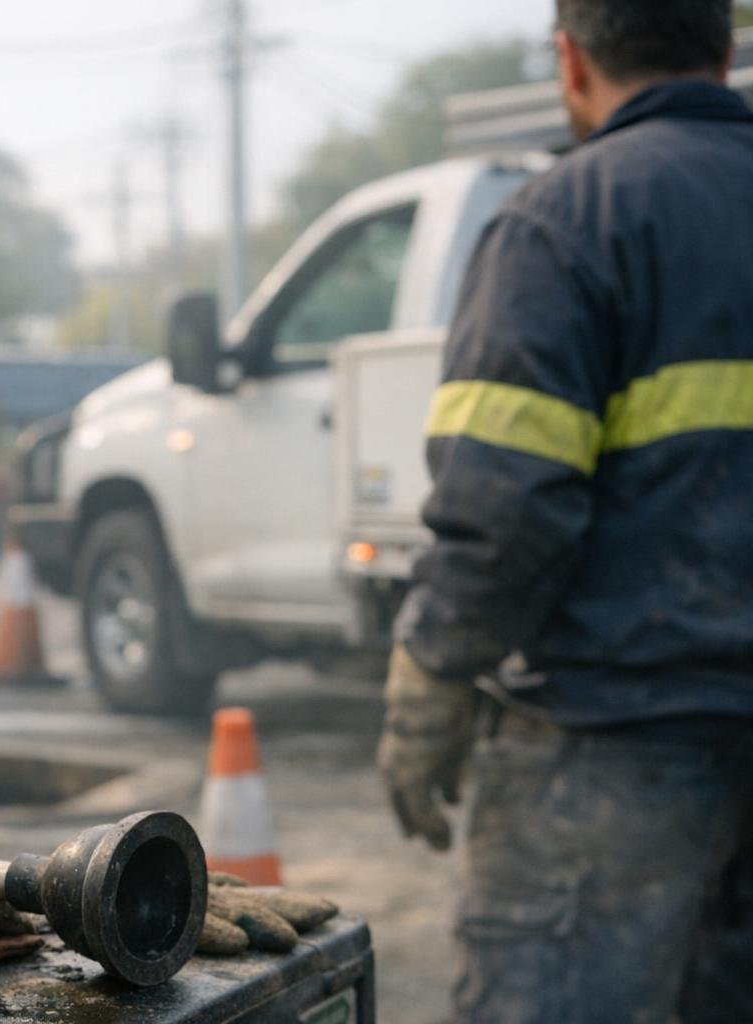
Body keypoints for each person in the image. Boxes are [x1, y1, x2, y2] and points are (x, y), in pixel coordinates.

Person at [376, 1, 753, 1019]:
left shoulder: (564, 223)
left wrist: (430, 682)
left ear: (570, 62)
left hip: (611, 741)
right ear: (725, 50)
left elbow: (505, 510)